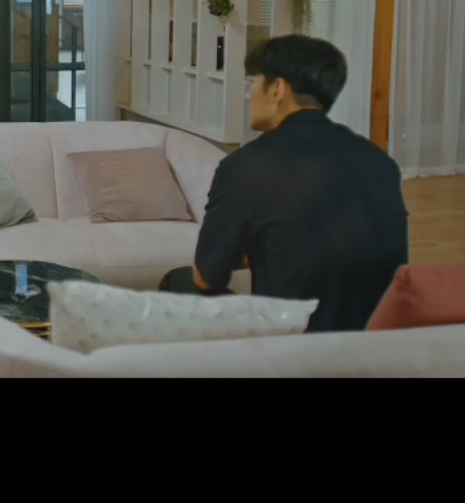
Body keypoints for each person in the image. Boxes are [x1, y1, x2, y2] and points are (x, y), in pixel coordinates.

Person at [158, 34, 409, 332]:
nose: (249, 95)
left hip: (292, 341)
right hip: (375, 336)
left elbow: (207, 278)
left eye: (254, 82)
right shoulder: (379, 162)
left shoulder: (246, 166)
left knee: (179, 282)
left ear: (278, 89)